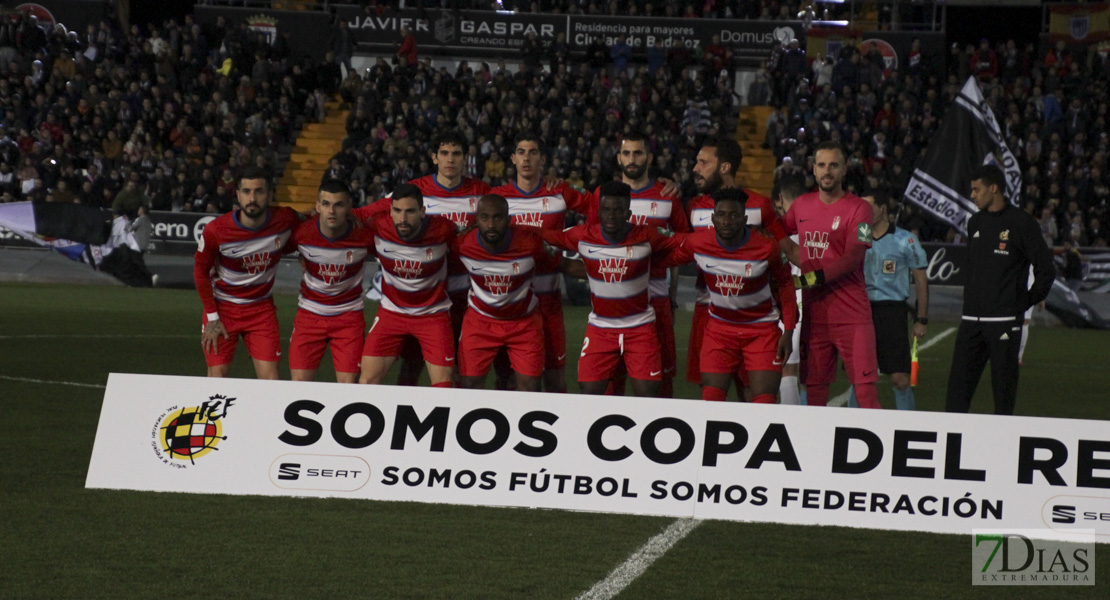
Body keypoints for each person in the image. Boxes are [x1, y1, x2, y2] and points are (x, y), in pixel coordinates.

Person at [359, 131, 490, 385]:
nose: (450, 159)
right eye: (444, 153)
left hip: (465, 294)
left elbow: (508, 214)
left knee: (461, 371)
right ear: (434, 157)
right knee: (411, 363)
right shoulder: (415, 192)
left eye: (456, 154)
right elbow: (364, 214)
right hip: (419, 292)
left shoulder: (482, 193)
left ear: (465, 158)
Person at [542, 181, 683, 397]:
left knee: (648, 393)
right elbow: (546, 236)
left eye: (618, 210)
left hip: (640, 326)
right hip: (600, 327)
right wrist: (511, 229)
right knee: (589, 391)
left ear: (628, 212)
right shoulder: (583, 236)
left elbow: (685, 243)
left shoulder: (647, 236)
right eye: (606, 209)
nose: (611, 215)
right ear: (599, 211)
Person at [659, 188, 797, 402]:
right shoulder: (699, 243)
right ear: (713, 218)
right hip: (720, 329)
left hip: (761, 329)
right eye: (721, 215)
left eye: (734, 215)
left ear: (744, 218)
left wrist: (788, 329)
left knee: (764, 401)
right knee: (711, 400)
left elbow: (786, 284)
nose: (727, 221)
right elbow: (666, 258)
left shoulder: (767, 248)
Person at [945, 165, 1054, 415]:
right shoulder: (975, 222)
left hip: (1004, 322)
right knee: (955, 397)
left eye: (976, 189)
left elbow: (1046, 270)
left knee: (1003, 399)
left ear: (993, 188)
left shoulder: (1021, 223)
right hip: (971, 320)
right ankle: (954, 448)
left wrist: (1023, 301)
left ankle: (1001, 450)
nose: (972, 195)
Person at [587, 132, 689, 397]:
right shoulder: (602, 196)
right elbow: (590, 241)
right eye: (627, 153)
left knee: (659, 385)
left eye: (638, 153)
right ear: (619, 157)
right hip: (612, 305)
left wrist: (672, 297)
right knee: (611, 383)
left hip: (656, 299)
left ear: (649, 157)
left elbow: (682, 246)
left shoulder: (667, 195)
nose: (632, 159)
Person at [490, 133, 592, 393]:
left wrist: (582, 244)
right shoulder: (497, 198)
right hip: (508, 302)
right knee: (507, 380)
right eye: (521, 152)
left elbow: (602, 209)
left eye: (533, 152)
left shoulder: (559, 191)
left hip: (548, 300)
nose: (527, 157)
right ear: (513, 159)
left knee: (555, 379)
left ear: (542, 159)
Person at [782, 141, 880, 408]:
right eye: (822, 165)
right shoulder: (801, 206)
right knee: (814, 395)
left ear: (844, 169)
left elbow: (853, 258)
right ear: (813, 169)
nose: (827, 171)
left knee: (865, 393)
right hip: (814, 317)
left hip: (852, 316)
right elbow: (777, 233)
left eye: (833, 165)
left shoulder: (861, 209)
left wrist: (806, 280)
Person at [688, 137, 788, 396]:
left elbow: (786, 250)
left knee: (750, 389)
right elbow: (676, 247)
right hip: (708, 310)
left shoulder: (759, 205)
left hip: (753, 314)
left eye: (702, 162)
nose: (695, 168)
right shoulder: (693, 206)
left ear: (724, 167)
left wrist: (818, 278)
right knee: (709, 391)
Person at [193, 166, 300, 379]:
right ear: (238, 195)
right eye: (247, 192)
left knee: (271, 380)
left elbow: (315, 225)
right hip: (223, 309)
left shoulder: (286, 218)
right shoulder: (216, 230)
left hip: (261, 310)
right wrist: (212, 318)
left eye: (259, 191)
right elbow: (200, 272)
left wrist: (306, 253)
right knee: (217, 378)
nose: (253, 198)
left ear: (270, 195)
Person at [454, 194, 561, 392]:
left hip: (524, 322)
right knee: (469, 385)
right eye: (485, 218)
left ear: (509, 219)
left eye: (498, 217)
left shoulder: (530, 244)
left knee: (530, 387)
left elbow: (562, 264)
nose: (491, 224)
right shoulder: (463, 245)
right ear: (476, 220)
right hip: (480, 321)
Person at [359, 183, 457, 388]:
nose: (402, 219)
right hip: (391, 313)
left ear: (423, 211)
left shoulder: (444, 230)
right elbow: (347, 220)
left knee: (444, 386)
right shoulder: (378, 226)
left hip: (433, 315)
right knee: (366, 382)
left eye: (410, 211)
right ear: (390, 211)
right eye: (397, 211)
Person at [846, 188, 929, 410]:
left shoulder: (905, 240)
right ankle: (852, 427)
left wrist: (921, 319)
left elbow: (921, 280)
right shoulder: (857, 236)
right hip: (861, 311)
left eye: (867, 207)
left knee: (899, 379)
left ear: (882, 209)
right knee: (860, 379)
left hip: (892, 313)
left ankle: (907, 427)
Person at [288, 179, 374, 384]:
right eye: (326, 204)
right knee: (298, 384)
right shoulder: (301, 234)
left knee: (347, 387)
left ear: (349, 208)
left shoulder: (365, 236)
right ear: (317, 207)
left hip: (348, 317)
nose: (331, 211)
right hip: (309, 315)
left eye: (338, 204)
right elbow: (268, 247)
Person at [772, 170, 808, 405]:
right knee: (810, 375)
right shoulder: (818, 228)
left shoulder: (777, 231)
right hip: (815, 303)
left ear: (781, 200)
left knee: (787, 370)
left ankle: (791, 425)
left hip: (789, 305)